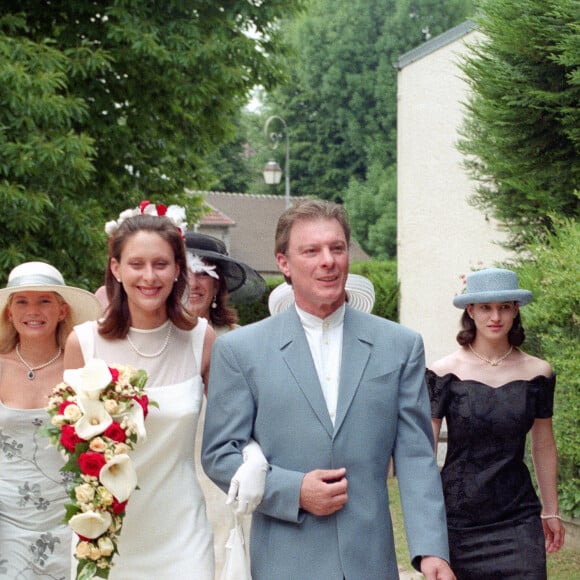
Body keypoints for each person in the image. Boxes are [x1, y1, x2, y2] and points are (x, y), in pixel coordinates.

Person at [202, 199, 455, 579]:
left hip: (370, 561)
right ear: (284, 263)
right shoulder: (240, 351)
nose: (328, 261)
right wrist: (293, 490)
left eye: (337, 248)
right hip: (284, 560)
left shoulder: (400, 345)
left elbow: (417, 456)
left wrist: (431, 550)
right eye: (311, 250)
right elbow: (220, 454)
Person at [64, 202, 217, 579]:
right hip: (107, 534)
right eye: (136, 264)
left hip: (183, 534)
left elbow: (231, 431)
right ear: (115, 268)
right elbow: (69, 443)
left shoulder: (201, 340)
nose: (149, 276)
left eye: (161, 264)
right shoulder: (83, 343)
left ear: (178, 269)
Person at [426, 268, 565, 579]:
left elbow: (543, 445)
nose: (495, 316)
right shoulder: (443, 372)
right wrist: (426, 528)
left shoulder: (539, 373)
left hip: (518, 517)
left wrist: (551, 509)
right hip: (458, 519)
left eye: (504, 306)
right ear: (470, 311)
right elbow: (423, 451)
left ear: (516, 310)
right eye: (486, 307)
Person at [0, 261, 102, 579]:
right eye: (22, 301)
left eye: (44, 300)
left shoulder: (85, 369)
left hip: (70, 516)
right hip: (7, 518)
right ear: (9, 313)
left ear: (61, 310)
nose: (34, 310)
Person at [184, 231, 266, 577]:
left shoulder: (244, 342)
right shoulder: (155, 341)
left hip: (226, 475)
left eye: (206, 273)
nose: (195, 282)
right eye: (186, 270)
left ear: (219, 287)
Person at [185, 232, 265, 336]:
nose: (193, 284)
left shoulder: (238, 338)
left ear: (216, 285)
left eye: (204, 274)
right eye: (184, 274)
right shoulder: (157, 339)